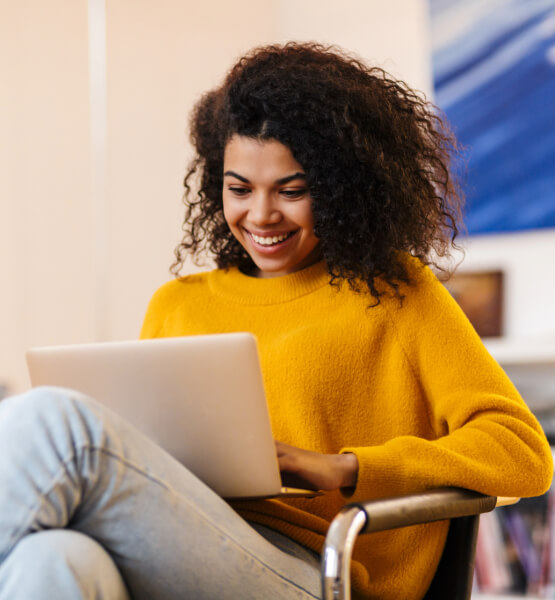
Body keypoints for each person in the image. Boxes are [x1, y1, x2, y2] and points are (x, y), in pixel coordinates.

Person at [0, 42, 551, 600]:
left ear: (341, 189)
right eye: (239, 189)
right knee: (54, 559)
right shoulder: (177, 303)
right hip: (186, 539)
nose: (260, 215)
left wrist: (345, 468)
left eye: (292, 191)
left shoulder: (396, 294)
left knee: (56, 422)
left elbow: (524, 453)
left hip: (315, 569)